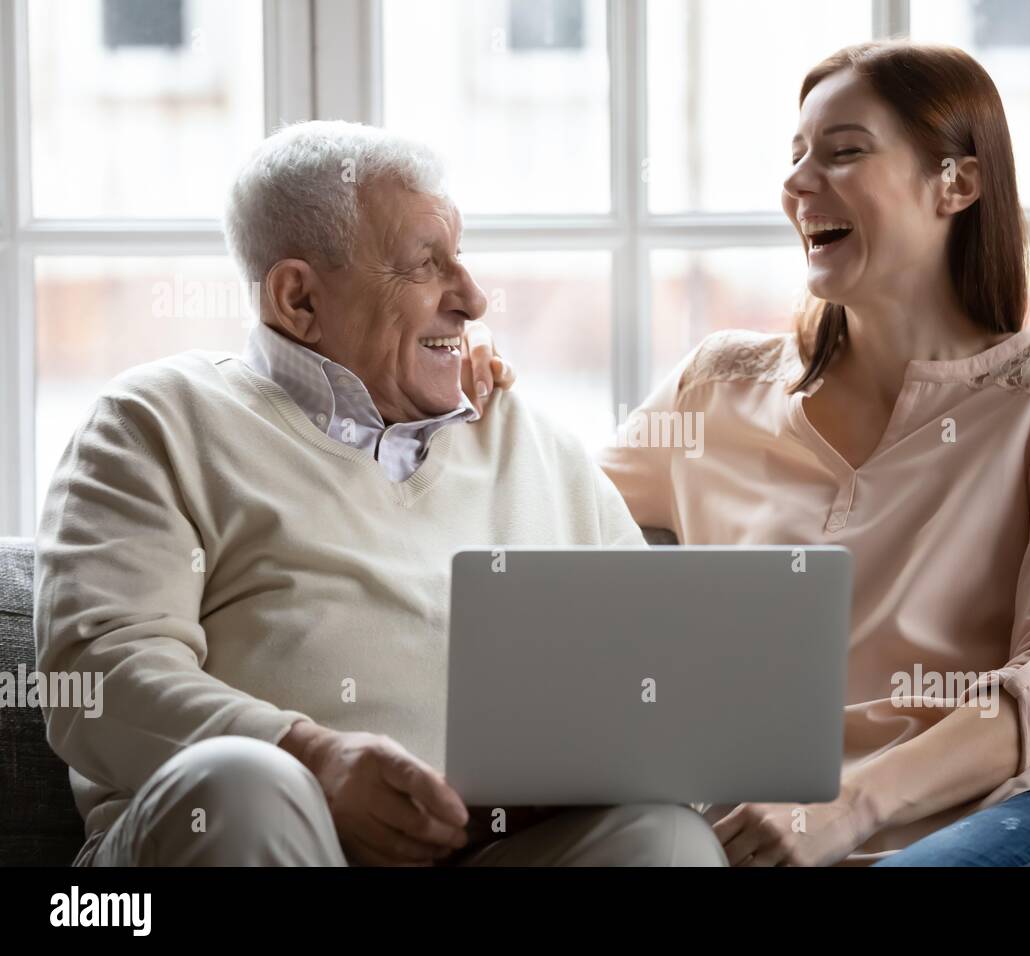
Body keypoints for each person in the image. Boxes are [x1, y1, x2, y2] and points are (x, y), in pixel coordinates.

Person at [490, 41, 1030, 867]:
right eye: (796, 156)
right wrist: (476, 409)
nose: (798, 185)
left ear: (957, 182)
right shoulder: (716, 389)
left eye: (844, 152)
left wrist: (847, 807)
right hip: (765, 839)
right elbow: (539, 525)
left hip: (1023, 815)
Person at [33, 120, 726, 868]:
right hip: (244, 833)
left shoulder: (530, 441)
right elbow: (94, 679)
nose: (473, 298)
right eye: (427, 265)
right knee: (247, 783)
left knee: (667, 839)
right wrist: (312, 760)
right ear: (299, 299)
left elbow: (655, 681)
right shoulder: (157, 421)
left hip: (485, 852)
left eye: (461, 259)